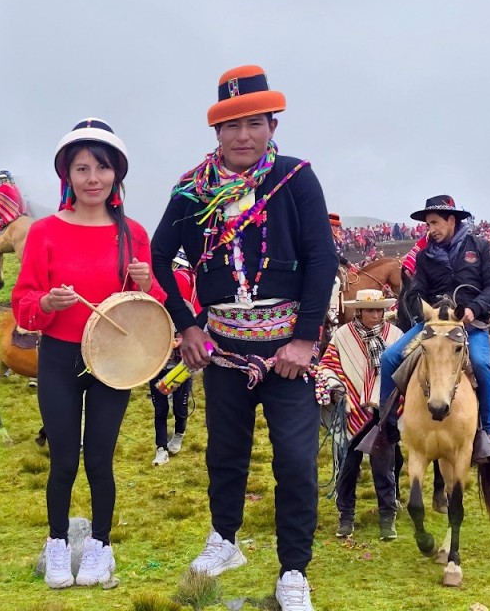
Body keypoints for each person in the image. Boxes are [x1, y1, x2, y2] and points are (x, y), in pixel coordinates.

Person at [151, 65, 337, 611]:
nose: (242, 135)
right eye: (231, 125)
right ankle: (226, 540)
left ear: (272, 124)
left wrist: (304, 341)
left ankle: (293, 570)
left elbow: (322, 258)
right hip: (225, 349)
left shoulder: (296, 177)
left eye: (253, 123)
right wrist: (186, 323)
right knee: (225, 455)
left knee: (295, 461)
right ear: (216, 132)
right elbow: (160, 257)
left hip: (287, 350)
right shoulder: (192, 189)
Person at [13, 118, 164, 590]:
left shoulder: (133, 233)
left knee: (99, 459)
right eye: (81, 168)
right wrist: (45, 304)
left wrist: (146, 284)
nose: (92, 178)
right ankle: (58, 544)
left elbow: (153, 304)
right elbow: (23, 302)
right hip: (59, 357)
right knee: (63, 460)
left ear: (116, 174)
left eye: (101, 167)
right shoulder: (44, 233)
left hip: (114, 362)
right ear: (67, 176)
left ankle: (100, 547)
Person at [377, 195, 490, 464]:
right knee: (389, 358)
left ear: (451, 220)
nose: (430, 229)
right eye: (427, 224)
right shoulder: (424, 256)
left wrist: (474, 308)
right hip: (434, 323)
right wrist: (421, 303)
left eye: (434, 222)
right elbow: (418, 289)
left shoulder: (481, 247)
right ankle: (386, 426)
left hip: (471, 324)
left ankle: (486, 434)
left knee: (482, 364)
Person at [315, 289, 402, 541]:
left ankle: (387, 519)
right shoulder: (343, 336)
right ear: (359, 311)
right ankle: (346, 517)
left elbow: (405, 368)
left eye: (378, 310)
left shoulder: (395, 335)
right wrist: (337, 385)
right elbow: (328, 365)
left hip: (383, 410)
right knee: (347, 467)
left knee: (384, 467)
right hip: (352, 408)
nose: (375, 315)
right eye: (370, 310)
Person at [150, 250, 201, 466]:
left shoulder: (187, 308)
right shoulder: (152, 309)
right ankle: (160, 448)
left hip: (181, 366)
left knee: (180, 407)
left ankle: (179, 433)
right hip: (157, 366)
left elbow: (200, 335)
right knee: (160, 409)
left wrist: (182, 341)